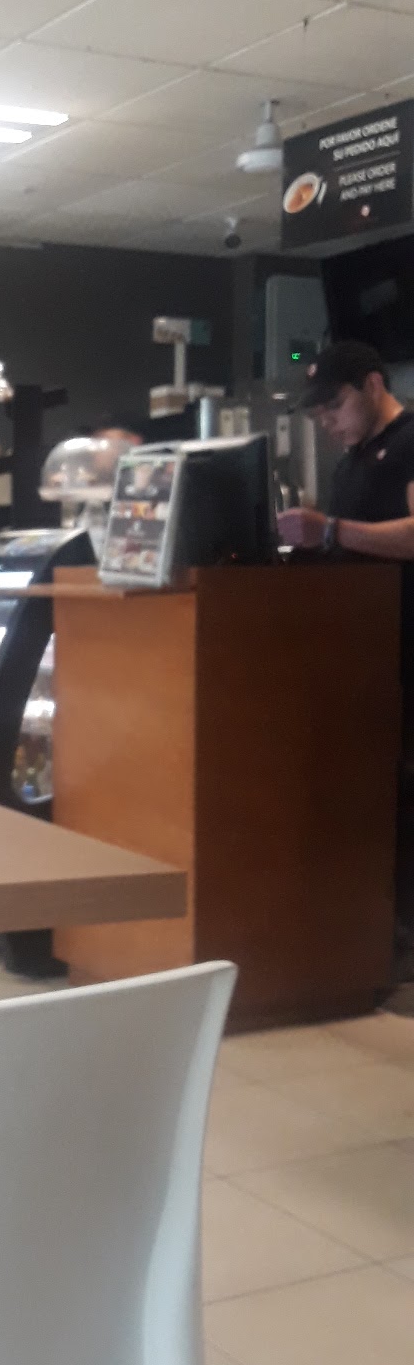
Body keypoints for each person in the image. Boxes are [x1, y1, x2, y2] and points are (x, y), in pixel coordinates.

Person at [277, 340, 414, 981]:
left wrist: (330, 530)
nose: (329, 422)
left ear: (373, 384)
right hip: (362, 652)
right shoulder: (351, 462)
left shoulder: (409, 441)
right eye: (319, 414)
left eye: (335, 405)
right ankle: (374, 932)